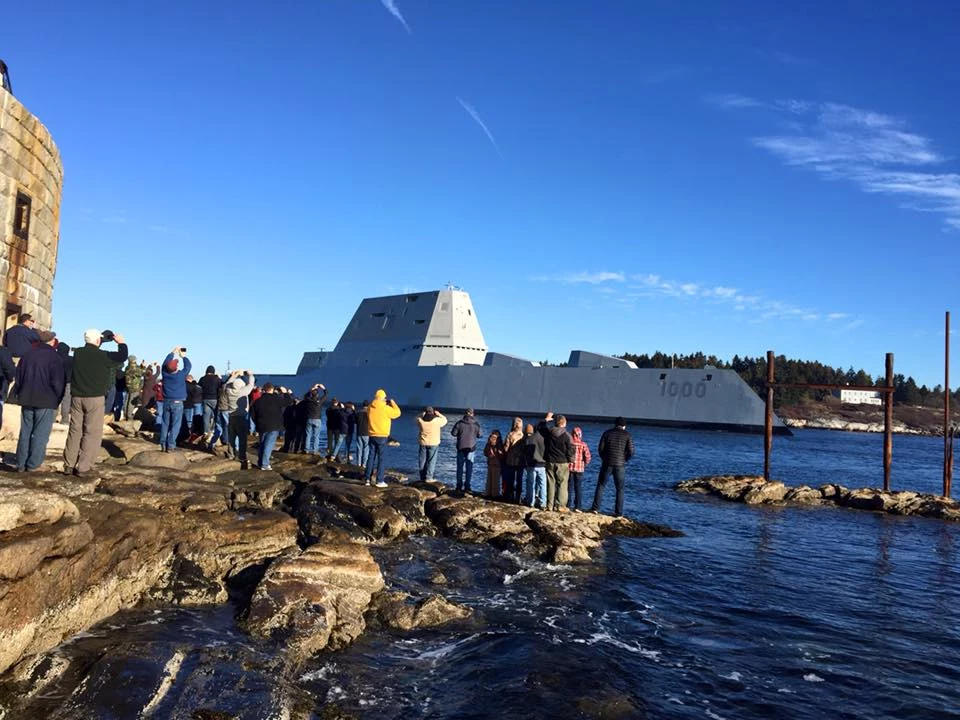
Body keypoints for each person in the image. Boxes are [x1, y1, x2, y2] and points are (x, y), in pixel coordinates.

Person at [64, 328, 128, 477]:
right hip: (95, 398)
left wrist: (104, 339)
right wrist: (121, 342)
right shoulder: (103, 356)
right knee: (92, 432)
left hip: (77, 397)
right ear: (98, 341)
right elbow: (121, 356)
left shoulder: (78, 353)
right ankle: (84, 467)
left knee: (75, 430)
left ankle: (68, 464)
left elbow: (93, 345)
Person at [14, 330, 64, 472]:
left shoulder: (27, 355)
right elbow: (58, 382)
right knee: (41, 433)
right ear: (52, 341)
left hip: (27, 397)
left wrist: (19, 393)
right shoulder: (54, 357)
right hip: (46, 399)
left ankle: (21, 463)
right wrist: (57, 399)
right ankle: (33, 464)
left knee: (25, 431)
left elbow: (19, 377)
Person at [590, 417, 635, 517]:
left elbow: (600, 449)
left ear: (615, 424)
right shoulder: (627, 435)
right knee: (620, 489)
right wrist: (625, 459)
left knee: (601, 485)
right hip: (620, 465)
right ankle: (618, 513)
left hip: (607, 463)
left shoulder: (607, 433)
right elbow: (631, 451)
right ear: (624, 426)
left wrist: (604, 458)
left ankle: (595, 508)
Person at [216, 370, 255, 465]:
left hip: (231, 416)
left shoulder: (228, 390)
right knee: (242, 438)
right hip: (241, 417)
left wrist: (235, 375)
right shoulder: (243, 392)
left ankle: (231, 454)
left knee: (231, 438)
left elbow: (228, 383)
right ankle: (241, 456)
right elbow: (251, 383)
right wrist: (250, 374)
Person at [538, 412, 574, 512]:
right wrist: (571, 459)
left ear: (555, 423)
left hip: (550, 461)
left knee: (550, 483)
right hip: (562, 462)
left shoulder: (549, 432)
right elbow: (571, 449)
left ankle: (549, 505)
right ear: (564, 423)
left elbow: (539, 427)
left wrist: (546, 419)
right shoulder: (567, 436)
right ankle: (560, 506)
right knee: (562, 484)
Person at [364, 389, 400, 487]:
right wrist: (392, 402)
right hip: (382, 436)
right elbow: (397, 413)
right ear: (383, 398)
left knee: (371, 457)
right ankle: (379, 481)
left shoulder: (370, 407)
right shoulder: (386, 408)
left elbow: (367, 413)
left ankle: (367, 479)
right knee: (381, 458)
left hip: (372, 434)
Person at [159, 347, 191, 452]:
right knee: (176, 425)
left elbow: (164, 364)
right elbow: (188, 366)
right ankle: (171, 445)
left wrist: (172, 352)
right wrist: (183, 356)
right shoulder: (180, 375)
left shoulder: (165, 373)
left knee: (165, 423)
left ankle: (163, 444)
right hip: (177, 402)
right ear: (176, 367)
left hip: (166, 401)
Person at [251, 382, 285, 470]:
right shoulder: (276, 399)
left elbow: (252, 414)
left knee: (262, 444)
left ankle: (260, 462)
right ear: (272, 389)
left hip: (262, 425)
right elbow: (288, 402)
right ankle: (265, 464)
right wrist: (285, 393)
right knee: (268, 445)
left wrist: (257, 422)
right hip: (274, 425)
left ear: (263, 390)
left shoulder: (257, 401)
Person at [451, 408, 482, 494]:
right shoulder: (476, 424)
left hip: (460, 448)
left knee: (460, 468)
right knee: (469, 468)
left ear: (465, 414)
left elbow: (453, 433)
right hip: (471, 449)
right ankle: (467, 486)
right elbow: (480, 435)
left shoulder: (459, 423)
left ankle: (458, 486)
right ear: (473, 414)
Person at [416, 406, 447, 481]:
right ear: (433, 412)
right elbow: (445, 420)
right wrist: (439, 414)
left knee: (422, 460)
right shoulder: (437, 421)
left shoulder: (420, 420)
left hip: (423, 443)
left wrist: (422, 414)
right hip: (434, 443)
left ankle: (422, 477)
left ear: (425, 412)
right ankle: (429, 477)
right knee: (431, 461)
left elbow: (417, 418)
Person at [521, 423, 547, 509]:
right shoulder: (544, 439)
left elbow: (526, 452)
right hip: (542, 464)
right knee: (542, 484)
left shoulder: (529, 439)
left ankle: (530, 501)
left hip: (531, 465)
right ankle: (543, 503)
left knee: (530, 483)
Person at [568, 426, 592, 512]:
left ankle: (568, 504)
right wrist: (585, 463)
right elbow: (588, 456)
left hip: (570, 468)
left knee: (569, 488)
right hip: (579, 469)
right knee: (578, 488)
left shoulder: (570, 443)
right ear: (580, 435)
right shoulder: (583, 444)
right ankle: (578, 506)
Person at [502, 417, 525, 503]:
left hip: (510, 461)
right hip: (520, 462)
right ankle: (518, 498)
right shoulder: (523, 435)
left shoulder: (510, 435)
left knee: (510, 480)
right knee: (519, 480)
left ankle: (509, 497)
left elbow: (506, 448)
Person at [300, 384, 327, 455]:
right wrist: (323, 388)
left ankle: (306, 449)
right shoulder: (319, 401)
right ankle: (315, 451)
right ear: (317, 395)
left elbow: (305, 396)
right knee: (316, 436)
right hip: (317, 419)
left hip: (309, 419)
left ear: (311, 394)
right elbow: (326, 394)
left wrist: (312, 388)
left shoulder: (308, 400)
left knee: (308, 435)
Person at [199, 365, 222, 440]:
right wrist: (219, 377)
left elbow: (199, 385)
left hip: (205, 399)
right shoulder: (217, 379)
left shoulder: (203, 378)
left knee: (206, 416)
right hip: (214, 399)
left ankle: (205, 431)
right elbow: (221, 385)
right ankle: (213, 431)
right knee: (216, 416)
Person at [483, 429, 504, 498]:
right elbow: (501, 454)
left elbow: (485, 452)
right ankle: (495, 494)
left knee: (489, 479)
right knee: (496, 481)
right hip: (497, 464)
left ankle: (487, 493)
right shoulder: (499, 443)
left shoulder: (489, 443)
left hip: (490, 463)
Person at [123, 355, 144, 421]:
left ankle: (125, 414)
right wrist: (143, 366)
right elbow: (143, 373)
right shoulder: (135, 368)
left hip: (128, 387)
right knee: (131, 403)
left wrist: (140, 366)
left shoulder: (127, 367)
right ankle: (129, 417)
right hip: (135, 387)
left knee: (127, 401)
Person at [56, 342, 73, 423]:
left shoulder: (54, 357)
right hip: (68, 381)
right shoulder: (71, 359)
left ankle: (52, 418)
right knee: (66, 401)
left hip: (56, 381)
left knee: (55, 399)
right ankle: (65, 419)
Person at [185, 374, 203, 438]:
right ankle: (192, 432)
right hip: (194, 403)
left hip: (185, 404)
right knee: (194, 418)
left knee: (187, 419)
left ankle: (188, 432)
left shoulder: (183, 386)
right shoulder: (197, 387)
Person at [356, 400, 371, 468]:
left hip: (359, 432)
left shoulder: (358, 412)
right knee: (366, 448)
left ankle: (358, 463)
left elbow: (355, 422)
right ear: (368, 405)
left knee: (359, 448)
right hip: (367, 433)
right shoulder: (369, 413)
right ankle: (364, 464)